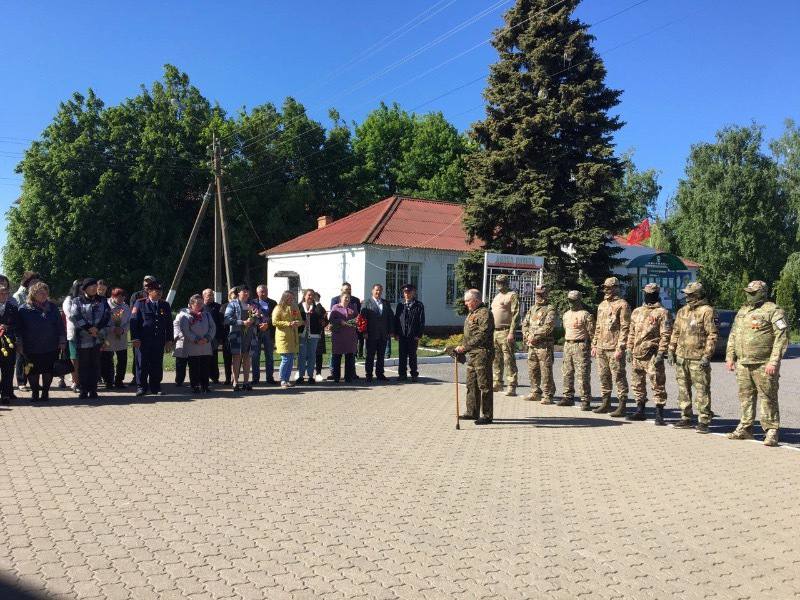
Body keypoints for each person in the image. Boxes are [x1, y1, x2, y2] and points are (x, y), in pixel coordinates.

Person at [725, 280, 788, 446]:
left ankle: (771, 431)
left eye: (753, 293)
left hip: (763, 363)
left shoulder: (773, 311)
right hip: (743, 363)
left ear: (762, 293)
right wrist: (730, 356)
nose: (749, 295)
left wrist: (773, 362)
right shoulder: (743, 311)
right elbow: (733, 335)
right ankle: (746, 428)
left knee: (768, 397)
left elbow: (781, 338)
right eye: (748, 292)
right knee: (745, 397)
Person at [667, 282, 718, 429]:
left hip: (698, 357)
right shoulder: (682, 311)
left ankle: (704, 419)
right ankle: (686, 417)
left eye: (690, 294)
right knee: (683, 389)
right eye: (686, 294)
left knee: (702, 390)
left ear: (698, 294)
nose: (687, 297)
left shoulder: (707, 311)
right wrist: (671, 350)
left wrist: (707, 356)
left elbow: (712, 334)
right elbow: (675, 332)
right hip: (682, 356)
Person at [625, 283, 672, 423]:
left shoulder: (662, 313)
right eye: (646, 293)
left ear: (656, 294)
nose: (648, 295)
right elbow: (631, 332)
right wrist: (628, 349)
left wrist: (661, 353)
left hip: (652, 354)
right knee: (637, 383)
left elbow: (666, 335)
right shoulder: (637, 311)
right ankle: (640, 410)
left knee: (657, 383)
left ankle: (659, 413)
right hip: (637, 354)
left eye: (651, 293)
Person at [16, 282, 66, 402]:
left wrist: (62, 341)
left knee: (48, 370)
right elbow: (19, 329)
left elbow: (60, 326)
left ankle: (45, 393)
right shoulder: (24, 309)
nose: (44, 295)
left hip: (51, 345)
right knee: (32, 371)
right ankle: (35, 393)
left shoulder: (52, 307)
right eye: (40, 293)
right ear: (33, 294)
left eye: (45, 292)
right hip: (30, 346)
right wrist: (19, 343)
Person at [591, 277, 631, 416]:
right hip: (601, 347)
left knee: (618, 376)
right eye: (605, 288)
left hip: (614, 348)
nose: (606, 290)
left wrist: (620, 347)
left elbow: (625, 327)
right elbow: (598, 326)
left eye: (609, 288)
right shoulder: (602, 305)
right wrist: (594, 344)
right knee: (603, 376)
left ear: (615, 288)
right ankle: (606, 402)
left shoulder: (622, 305)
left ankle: (622, 404)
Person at [455, 289, 494, 425]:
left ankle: (487, 415)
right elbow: (470, 334)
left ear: (476, 300)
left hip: (483, 353)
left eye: (467, 301)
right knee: (471, 383)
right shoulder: (473, 313)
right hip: (472, 353)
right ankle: (472, 412)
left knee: (484, 385)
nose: (465, 303)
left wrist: (465, 347)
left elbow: (482, 335)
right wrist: (463, 347)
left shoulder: (484, 313)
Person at [130, 281, 173, 396]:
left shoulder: (165, 305)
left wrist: (169, 340)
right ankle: (141, 387)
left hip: (158, 341)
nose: (159, 293)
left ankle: (155, 387)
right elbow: (134, 322)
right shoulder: (140, 303)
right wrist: (135, 338)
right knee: (142, 364)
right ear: (149, 291)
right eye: (156, 291)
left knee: (156, 364)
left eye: (161, 291)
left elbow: (169, 324)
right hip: (143, 341)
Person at [69, 278, 110, 400]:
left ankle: (93, 389)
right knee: (83, 365)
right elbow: (75, 315)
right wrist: (88, 328)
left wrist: (97, 328)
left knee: (95, 364)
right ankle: (83, 389)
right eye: (90, 286)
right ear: (84, 288)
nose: (93, 288)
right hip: (83, 339)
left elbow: (107, 315)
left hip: (97, 338)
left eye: (94, 285)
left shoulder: (102, 300)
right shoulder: (77, 300)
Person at [521, 285, 556, 404]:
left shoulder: (550, 309)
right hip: (532, 345)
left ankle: (547, 394)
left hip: (544, 346)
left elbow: (548, 327)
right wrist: (527, 335)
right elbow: (525, 324)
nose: (538, 296)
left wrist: (534, 336)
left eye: (541, 294)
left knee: (545, 370)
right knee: (533, 369)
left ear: (546, 295)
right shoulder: (532, 309)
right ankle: (535, 392)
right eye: (537, 294)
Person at [175, 294, 216, 394]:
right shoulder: (185, 315)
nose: (200, 305)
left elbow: (212, 327)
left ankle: (205, 385)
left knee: (205, 366)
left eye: (201, 303)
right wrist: (196, 339)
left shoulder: (206, 314)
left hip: (205, 345)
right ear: (191, 304)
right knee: (194, 367)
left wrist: (207, 338)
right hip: (193, 345)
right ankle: (195, 386)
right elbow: (186, 330)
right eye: (198, 303)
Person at [561, 290, 595, 410]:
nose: (571, 303)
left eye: (573, 301)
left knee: (583, 374)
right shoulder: (566, 315)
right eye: (569, 300)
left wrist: (593, 347)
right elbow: (566, 329)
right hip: (568, 345)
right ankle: (568, 397)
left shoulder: (585, 314)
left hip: (580, 346)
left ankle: (585, 400)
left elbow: (592, 333)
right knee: (567, 372)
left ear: (579, 300)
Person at [224, 285, 259, 391]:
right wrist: (242, 322)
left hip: (250, 335)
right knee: (236, 358)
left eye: (247, 292)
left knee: (247, 358)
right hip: (237, 335)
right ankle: (235, 382)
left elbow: (258, 319)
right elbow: (227, 319)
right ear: (238, 293)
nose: (246, 294)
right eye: (244, 292)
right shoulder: (232, 304)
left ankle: (246, 382)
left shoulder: (252, 305)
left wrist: (254, 320)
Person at [490, 274, 519, 397]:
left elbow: (516, 315)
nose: (498, 284)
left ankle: (511, 385)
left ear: (506, 283)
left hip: (506, 331)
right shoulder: (497, 297)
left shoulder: (512, 295)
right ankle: (497, 382)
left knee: (509, 360)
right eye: (497, 282)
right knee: (496, 359)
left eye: (501, 282)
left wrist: (512, 332)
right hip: (495, 332)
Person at [361, 284, 393, 382]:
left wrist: (391, 331)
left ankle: (380, 374)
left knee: (381, 355)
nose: (378, 292)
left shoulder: (386, 303)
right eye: (376, 290)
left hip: (383, 334)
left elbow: (390, 318)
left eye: (380, 290)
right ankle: (369, 374)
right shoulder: (367, 302)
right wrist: (364, 332)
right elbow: (362, 319)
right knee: (370, 355)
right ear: (372, 291)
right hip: (371, 334)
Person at [128, 275, 157, 385]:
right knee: (138, 357)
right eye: (145, 282)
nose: (146, 284)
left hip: (152, 332)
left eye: (149, 282)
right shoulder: (136, 296)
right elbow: (133, 312)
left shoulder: (157, 294)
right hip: (139, 330)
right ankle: (137, 377)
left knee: (153, 357)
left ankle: (152, 380)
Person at [14, 271, 40, 392]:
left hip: (34, 332)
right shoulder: (19, 295)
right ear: (27, 283)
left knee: (32, 358)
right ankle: (21, 381)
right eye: (33, 282)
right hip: (22, 331)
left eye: (37, 282)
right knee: (21, 357)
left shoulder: (36, 294)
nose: (36, 284)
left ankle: (33, 381)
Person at [100, 288, 131, 389]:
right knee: (107, 360)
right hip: (108, 337)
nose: (121, 299)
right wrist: (112, 329)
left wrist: (122, 330)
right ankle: (108, 381)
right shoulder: (105, 306)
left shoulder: (126, 307)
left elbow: (129, 322)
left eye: (123, 296)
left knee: (122, 359)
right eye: (118, 296)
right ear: (113, 296)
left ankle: (119, 380)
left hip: (121, 337)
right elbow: (102, 321)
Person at [394, 284, 425, 382]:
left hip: (413, 335)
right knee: (402, 355)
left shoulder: (418, 305)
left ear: (413, 293)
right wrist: (396, 333)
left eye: (409, 292)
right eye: (405, 292)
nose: (407, 294)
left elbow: (421, 321)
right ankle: (402, 374)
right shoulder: (400, 306)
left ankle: (414, 374)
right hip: (402, 335)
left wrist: (418, 334)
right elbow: (396, 320)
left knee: (412, 356)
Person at [329, 282, 363, 373]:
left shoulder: (355, 302)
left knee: (350, 356)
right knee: (336, 356)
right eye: (345, 290)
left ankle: (351, 375)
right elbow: (332, 318)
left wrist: (357, 322)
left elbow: (358, 316)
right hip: (338, 333)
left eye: (349, 290)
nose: (348, 292)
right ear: (341, 291)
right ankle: (335, 374)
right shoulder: (335, 303)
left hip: (350, 335)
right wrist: (340, 322)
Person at [272, 291, 301, 388]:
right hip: (283, 337)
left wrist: (298, 322)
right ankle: (282, 380)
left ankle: (287, 379)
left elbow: (300, 320)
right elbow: (274, 322)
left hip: (293, 337)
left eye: (292, 298)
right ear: (284, 298)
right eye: (289, 298)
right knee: (285, 359)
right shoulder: (278, 307)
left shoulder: (294, 307)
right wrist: (288, 323)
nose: (291, 300)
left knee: (291, 359)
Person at [251, 284, 277, 385]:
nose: (264, 293)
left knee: (269, 356)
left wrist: (267, 324)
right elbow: (251, 316)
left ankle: (269, 378)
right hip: (256, 332)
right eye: (262, 291)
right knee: (255, 356)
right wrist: (259, 324)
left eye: (265, 291)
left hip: (269, 332)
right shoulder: (252, 302)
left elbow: (275, 316)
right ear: (257, 293)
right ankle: (255, 378)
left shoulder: (273, 303)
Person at [297, 289, 323, 384]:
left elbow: (323, 320)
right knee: (302, 356)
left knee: (312, 356)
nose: (310, 297)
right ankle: (300, 375)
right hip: (301, 334)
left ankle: (311, 376)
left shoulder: (317, 308)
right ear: (304, 296)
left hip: (314, 335)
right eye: (309, 295)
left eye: (312, 295)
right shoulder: (299, 307)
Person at [62, 279, 82, 392]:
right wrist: (84, 322)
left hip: (86, 333)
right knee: (74, 358)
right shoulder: (68, 300)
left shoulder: (86, 299)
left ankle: (83, 381)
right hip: (74, 333)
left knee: (84, 358)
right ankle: (75, 381)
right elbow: (70, 315)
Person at [0, 285, 19, 404]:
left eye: (5, 293)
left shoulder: (12, 308)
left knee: (8, 369)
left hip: (9, 343)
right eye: (1, 293)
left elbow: (18, 324)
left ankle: (6, 394)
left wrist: (7, 326)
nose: (3, 295)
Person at [202, 289, 224, 385]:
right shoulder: (200, 307)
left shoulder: (218, 307)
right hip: (202, 337)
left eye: (212, 295)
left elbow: (221, 323)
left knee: (213, 358)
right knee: (203, 358)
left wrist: (220, 337)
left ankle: (215, 377)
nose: (210, 297)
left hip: (214, 337)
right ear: (203, 296)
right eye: (208, 295)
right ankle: (203, 377)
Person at [313, 292, 327, 380]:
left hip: (319, 334)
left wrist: (324, 323)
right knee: (304, 355)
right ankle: (301, 373)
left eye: (315, 297)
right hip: (306, 334)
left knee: (318, 355)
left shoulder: (320, 308)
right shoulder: (304, 306)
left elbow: (326, 321)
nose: (313, 298)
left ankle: (318, 373)